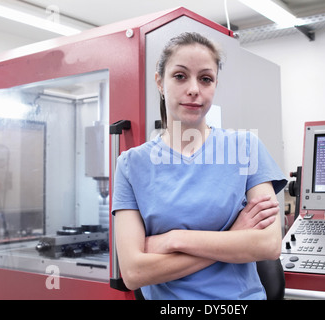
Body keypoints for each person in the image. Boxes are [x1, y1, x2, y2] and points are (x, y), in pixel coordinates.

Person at [112, 32, 287, 300]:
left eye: (206, 78)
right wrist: (233, 237)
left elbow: (269, 244)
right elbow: (134, 272)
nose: (194, 89)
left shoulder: (246, 148)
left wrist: (174, 240)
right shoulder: (131, 165)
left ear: (215, 85)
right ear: (159, 82)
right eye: (180, 76)